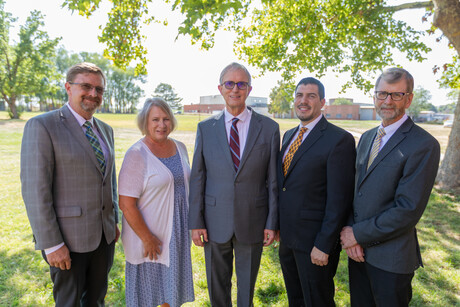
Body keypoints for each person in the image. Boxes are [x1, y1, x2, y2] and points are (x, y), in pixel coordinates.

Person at [20, 62, 119, 306]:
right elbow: (35, 191)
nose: (93, 94)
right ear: (68, 87)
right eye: (86, 86)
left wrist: (113, 220)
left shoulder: (105, 130)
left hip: (103, 237)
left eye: (99, 89)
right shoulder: (43, 125)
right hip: (67, 240)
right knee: (69, 302)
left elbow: (110, 181)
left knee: (96, 300)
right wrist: (52, 243)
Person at [340, 67, 441, 307]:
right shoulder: (367, 138)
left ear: (409, 98)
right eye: (382, 93)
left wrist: (358, 234)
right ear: (374, 96)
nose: (387, 101)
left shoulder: (424, 144)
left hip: (391, 260)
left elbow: (407, 210)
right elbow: (356, 191)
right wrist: (350, 233)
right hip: (358, 255)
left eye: (396, 95)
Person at [188, 62, 280, 307]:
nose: (235, 89)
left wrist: (272, 222)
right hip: (213, 219)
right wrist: (196, 222)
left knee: (247, 286)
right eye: (230, 83)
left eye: (241, 84)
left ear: (249, 89)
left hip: (253, 218)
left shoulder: (269, 128)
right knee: (217, 284)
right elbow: (198, 176)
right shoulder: (206, 128)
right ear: (221, 88)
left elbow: (273, 180)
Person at [277, 77, 356, 306]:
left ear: (322, 102)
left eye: (311, 96)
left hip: (315, 243)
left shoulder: (338, 139)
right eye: (299, 95)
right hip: (289, 240)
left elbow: (339, 200)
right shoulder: (289, 135)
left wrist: (323, 244)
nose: (304, 101)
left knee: (317, 301)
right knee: (296, 299)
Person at [118, 98, 194, 307]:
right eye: (155, 120)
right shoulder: (137, 154)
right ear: (145, 122)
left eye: (166, 119)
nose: (162, 125)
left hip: (176, 233)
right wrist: (147, 237)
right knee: (149, 298)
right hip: (149, 237)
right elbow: (126, 204)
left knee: (169, 295)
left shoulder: (180, 147)